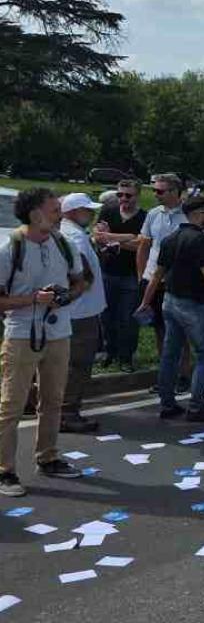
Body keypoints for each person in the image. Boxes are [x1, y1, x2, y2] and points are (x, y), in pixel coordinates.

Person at [0, 188, 90, 496]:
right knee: (11, 406)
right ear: (35, 214)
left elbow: (81, 280)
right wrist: (33, 300)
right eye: (54, 210)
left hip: (58, 333)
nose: (59, 215)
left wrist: (67, 296)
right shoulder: (9, 248)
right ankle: (5, 471)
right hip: (22, 334)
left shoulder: (63, 243)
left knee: (53, 400)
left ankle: (48, 457)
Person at [136, 196, 204, 423]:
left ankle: (167, 403)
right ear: (197, 214)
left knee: (171, 354)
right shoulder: (200, 241)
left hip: (170, 300)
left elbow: (157, 275)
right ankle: (197, 406)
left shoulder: (170, 239)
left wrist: (146, 301)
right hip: (195, 305)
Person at [58, 193, 107, 434]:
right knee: (77, 364)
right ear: (72, 212)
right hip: (80, 312)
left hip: (78, 310)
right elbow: (81, 277)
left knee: (67, 363)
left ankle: (52, 407)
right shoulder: (74, 238)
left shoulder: (72, 234)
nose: (92, 214)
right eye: (87, 210)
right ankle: (67, 413)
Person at [137, 173, 189, 393]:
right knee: (160, 330)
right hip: (153, 280)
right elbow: (144, 245)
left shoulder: (188, 216)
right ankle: (165, 375)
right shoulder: (153, 214)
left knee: (179, 331)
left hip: (178, 282)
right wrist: (141, 275)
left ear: (175, 192)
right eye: (154, 190)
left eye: (160, 191)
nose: (155, 194)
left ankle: (184, 375)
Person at [95, 180, 146, 372]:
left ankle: (126, 357)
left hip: (131, 275)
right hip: (107, 272)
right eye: (120, 195)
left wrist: (112, 237)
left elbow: (143, 244)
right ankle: (110, 352)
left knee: (128, 319)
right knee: (106, 317)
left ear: (137, 196)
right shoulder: (108, 211)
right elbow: (98, 237)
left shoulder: (144, 217)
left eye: (128, 195)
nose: (123, 199)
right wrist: (128, 238)